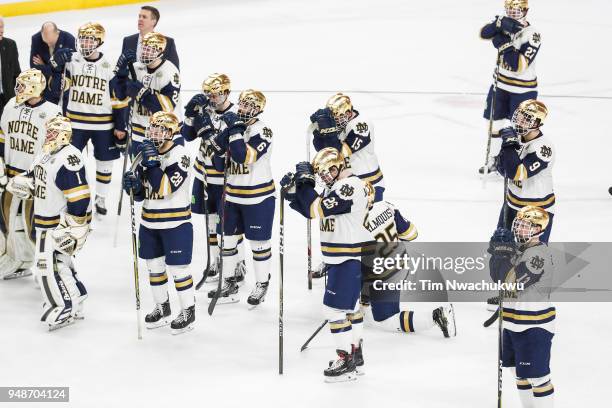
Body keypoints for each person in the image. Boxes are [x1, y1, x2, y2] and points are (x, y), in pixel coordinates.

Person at [282, 147, 371, 382]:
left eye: (324, 173)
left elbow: (316, 209)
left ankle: (346, 361)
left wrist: (304, 186)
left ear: (337, 167)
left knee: (333, 310)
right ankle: (356, 356)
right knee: (350, 309)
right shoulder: (337, 187)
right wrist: (294, 190)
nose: (322, 178)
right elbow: (309, 209)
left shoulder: (350, 186)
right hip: (340, 259)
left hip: (346, 259)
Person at [7, 116, 91, 331]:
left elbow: (79, 196)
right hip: (44, 217)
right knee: (60, 263)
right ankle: (77, 295)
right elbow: (35, 176)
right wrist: (23, 181)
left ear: (64, 134)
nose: (49, 135)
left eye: (53, 132)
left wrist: (74, 226)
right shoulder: (46, 152)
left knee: (47, 265)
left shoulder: (69, 158)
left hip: (58, 222)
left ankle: (63, 305)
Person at [122, 111, 195, 335]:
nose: (153, 132)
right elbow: (144, 194)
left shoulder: (180, 154)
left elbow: (165, 188)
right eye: (152, 127)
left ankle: (188, 311)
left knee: (178, 269)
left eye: (160, 129)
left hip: (175, 223)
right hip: (150, 221)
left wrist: (152, 164)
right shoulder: (146, 153)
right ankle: (163, 307)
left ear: (171, 133)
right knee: (154, 268)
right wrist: (133, 187)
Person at [49, 23, 128, 219]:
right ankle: (73, 196)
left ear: (99, 41)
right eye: (82, 38)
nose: (85, 43)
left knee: (105, 163)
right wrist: (56, 67)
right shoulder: (71, 60)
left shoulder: (109, 65)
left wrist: (120, 125)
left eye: (90, 39)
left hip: (103, 124)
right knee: (70, 161)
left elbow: (118, 98)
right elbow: (55, 90)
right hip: (74, 122)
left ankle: (101, 198)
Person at [206, 90, 274, 307]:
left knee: (258, 243)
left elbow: (243, 157)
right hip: (233, 194)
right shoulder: (232, 128)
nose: (243, 109)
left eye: (249, 106)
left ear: (259, 109)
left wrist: (233, 132)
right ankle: (229, 281)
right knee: (227, 241)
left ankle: (262, 283)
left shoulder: (264, 131)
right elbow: (217, 163)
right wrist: (223, 138)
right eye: (242, 105)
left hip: (258, 195)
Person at [181, 73, 246, 284]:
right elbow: (187, 136)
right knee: (209, 221)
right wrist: (190, 114)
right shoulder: (205, 110)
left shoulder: (237, 113)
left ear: (227, 92)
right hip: (203, 173)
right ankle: (214, 261)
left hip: (226, 177)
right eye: (208, 93)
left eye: (216, 94)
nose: (211, 98)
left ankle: (238, 262)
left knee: (230, 223)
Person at [488, 206, 556, 407]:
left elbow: (513, 282)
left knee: (538, 377)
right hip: (511, 321)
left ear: (538, 229)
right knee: (517, 372)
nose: (518, 229)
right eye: (518, 224)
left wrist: (503, 254)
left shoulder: (539, 255)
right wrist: (496, 252)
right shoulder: (519, 249)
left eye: (525, 226)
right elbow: (498, 279)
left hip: (533, 324)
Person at [361, 198, 456, 338]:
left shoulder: (351, 217)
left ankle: (435, 316)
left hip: (382, 274)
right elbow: (412, 234)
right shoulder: (386, 206)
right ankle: (364, 301)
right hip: (400, 264)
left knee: (386, 319)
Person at [0, 69, 60, 280]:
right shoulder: (11, 105)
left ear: (35, 87)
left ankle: (55, 268)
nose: (18, 89)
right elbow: (2, 136)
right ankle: (20, 261)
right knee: (7, 223)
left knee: (34, 226)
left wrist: (40, 174)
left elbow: (57, 147)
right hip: (10, 175)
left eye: (22, 85)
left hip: (36, 178)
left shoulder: (53, 111)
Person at [479, 0, 541, 174]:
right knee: (494, 124)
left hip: (523, 90)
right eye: (509, 10)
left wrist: (503, 43)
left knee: (520, 130)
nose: (512, 13)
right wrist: (497, 23)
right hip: (500, 85)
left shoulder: (533, 34)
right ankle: (495, 160)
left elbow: (518, 65)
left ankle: (517, 164)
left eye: (516, 10)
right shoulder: (506, 26)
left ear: (525, 10)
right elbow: (484, 33)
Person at [495, 99, 554, 242]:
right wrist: (507, 147)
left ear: (537, 123)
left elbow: (517, 173)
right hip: (511, 202)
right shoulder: (517, 137)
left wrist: (509, 146)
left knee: (528, 256)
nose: (520, 121)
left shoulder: (543, 148)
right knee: (500, 247)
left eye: (526, 118)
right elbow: (503, 169)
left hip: (535, 209)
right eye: (520, 115)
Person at [114, 32, 180, 157]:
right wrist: (120, 75)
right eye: (144, 48)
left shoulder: (170, 71)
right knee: (137, 174)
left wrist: (141, 93)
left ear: (161, 51)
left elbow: (166, 107)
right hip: (138, 132)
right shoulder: (136, 67)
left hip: (162, 135)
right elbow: (120, 95)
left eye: (150, 49)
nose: (145, 52)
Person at [119, 5, 179, 70]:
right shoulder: (128, 41)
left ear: (154, 21)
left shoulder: (168, 42)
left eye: (144, 17)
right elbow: (122, 66)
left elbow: (174, 69)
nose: (140, 19)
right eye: (139, 16)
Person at [29, 22, 75, 104]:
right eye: (45, 42)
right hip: (46, 90)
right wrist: (55, 68)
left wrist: (45, 66)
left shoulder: (69, 39)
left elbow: (71, 69)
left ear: (57, 33)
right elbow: (34, 67)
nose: (48, 44)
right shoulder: (36, 39)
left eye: (51, 42)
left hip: (65, 89)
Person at [0, 17, 22, 116]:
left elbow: (17, 73)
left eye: (2, 27)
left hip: (8, 97)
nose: (2, 30)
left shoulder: (10, 45)